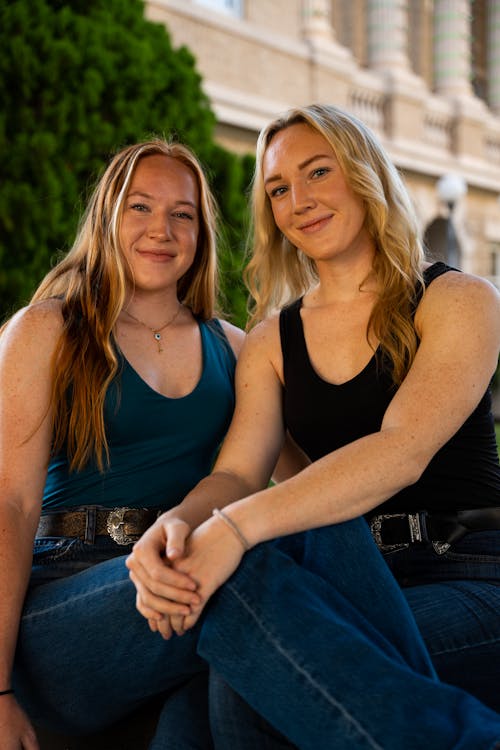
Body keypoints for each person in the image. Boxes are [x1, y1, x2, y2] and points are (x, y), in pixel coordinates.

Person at [127, 104, 500, 750]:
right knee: (197, 700)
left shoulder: (457, 300)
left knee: (247, 680)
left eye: (317, 171)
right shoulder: (272, 341)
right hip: (350, 577)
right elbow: (239, 472)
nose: (298, 200)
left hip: (467, 576)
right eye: (277, 189)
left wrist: (234, 530)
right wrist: (178, 525)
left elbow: (402, 450)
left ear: (362, 174)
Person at [1, 137, 253, 749]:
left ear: (201, 232)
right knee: (246, 575)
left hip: (184, 581)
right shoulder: (48, 329)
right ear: (107, 217)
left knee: (209, 710)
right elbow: (9, 506)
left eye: (182, 213)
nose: (160, 229)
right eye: (140, 207)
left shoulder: (235, 346)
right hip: (67, 593)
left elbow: (296, 476)